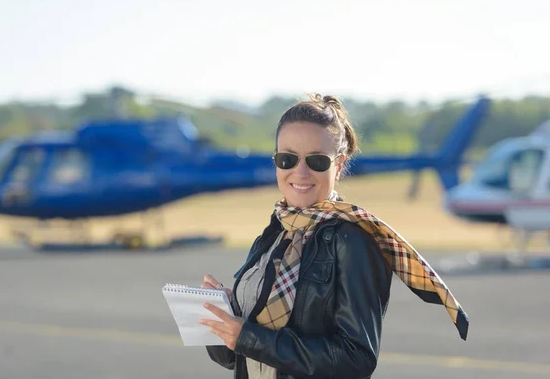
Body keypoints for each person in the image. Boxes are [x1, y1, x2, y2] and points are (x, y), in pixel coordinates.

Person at [199, 93, 469, 379]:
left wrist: (248, 338)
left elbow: (357, 359)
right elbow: (234, 358)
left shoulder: (354, 241)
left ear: (338, 166)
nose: (299, 172)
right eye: (287, 159)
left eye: (316, 161)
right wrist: (221, 317)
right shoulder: (273, 234)